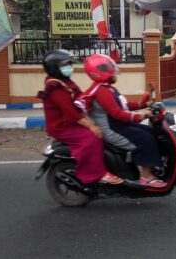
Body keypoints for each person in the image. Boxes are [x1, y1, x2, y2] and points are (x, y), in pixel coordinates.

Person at [78, 54, 167, 188]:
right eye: (109, 68)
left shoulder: (108, 87)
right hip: (112, 130)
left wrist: (145, 104)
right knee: (145, 138)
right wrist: (142, 116)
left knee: (151, 131)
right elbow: (117, 113)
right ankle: (146, 177)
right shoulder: (101, 90)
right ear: (100, 71)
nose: (113, 71)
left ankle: (152, 166)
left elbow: (124, 105)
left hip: (119, 125)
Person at [36, 49, 123, 185]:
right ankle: (98, 174)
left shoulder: (65, 82)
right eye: (65, 65)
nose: (70, 67)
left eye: (70, 64)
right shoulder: (55, 88)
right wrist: (91, 126)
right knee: (93, 137)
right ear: (54, 68)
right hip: (63, 127)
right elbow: (71, 112)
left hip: (71, 122)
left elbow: (81, 97)